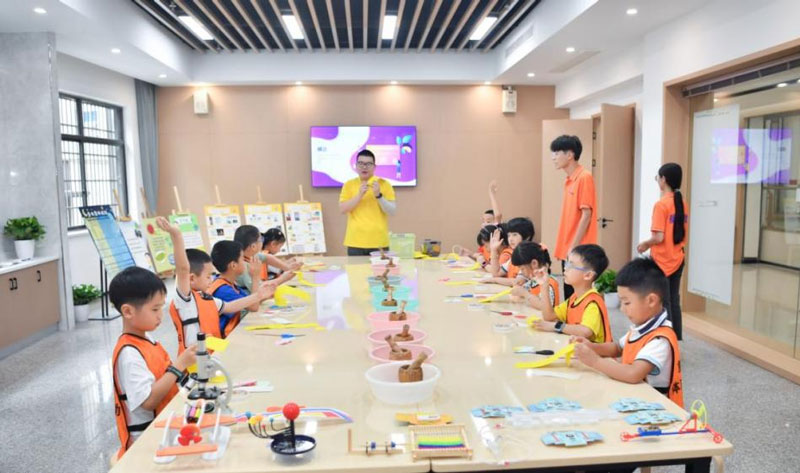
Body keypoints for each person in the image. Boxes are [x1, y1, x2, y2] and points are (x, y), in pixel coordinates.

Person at [109, 267, 196, 459]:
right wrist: (179, 365)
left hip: (165, 426)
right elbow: (148, 401)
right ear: (128, 311)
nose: (160, 315)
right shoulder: (129, 354)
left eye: (161, 308)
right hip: (147, 443)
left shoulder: (146, 338)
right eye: (155, 309)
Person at [573, 258, 684, 407]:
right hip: (635, 400)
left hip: (655, 409)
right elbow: (617, 348)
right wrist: (591, 347)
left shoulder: (660, 339)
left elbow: (633, 374)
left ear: (651, 300)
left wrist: (594, 361)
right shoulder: (643, 327)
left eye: (627, 303)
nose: (622, 309)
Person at [156, 217, 275, 354]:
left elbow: (230, 306)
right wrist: (176, 234)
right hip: (195, 361)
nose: (211, 280)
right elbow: (183, 269)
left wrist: (258, 295)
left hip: (213, 354)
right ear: (192, 279)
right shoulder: (186, 301)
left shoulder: (206, 298)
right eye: (208, 276)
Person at [637, 163, 688, 340]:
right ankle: (675, 338)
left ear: (663, 179)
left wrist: (645, 244)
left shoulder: (661, 205)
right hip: (678, 257)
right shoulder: (682, 203)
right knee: (674, 300)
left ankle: (666, 341)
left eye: (657, 178)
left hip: (662, 261)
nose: (657, 180)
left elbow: (658, 237)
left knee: (663, 302)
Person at [530, 244, 611, 343]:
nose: (565, 268)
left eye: (571, 265)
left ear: (588, 275)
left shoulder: (593, 302)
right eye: (566, 263)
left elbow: (585, 331)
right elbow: (549, 316)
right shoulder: (574, 298)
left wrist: (556, 326)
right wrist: (544, 286)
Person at [551, 135, 598, 300]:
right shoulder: (569, 180)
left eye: (557, 153)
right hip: (569, 248)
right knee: (569, 295)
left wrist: (573, 247)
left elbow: (586, 215)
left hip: (578, 250)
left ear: (570, 155)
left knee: (578, 295)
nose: (553, 157)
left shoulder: (584, 177)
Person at [338, 149, 396, 256]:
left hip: (379, 242)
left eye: (368, 164)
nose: (364, 167)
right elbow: (343, 209)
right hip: (355, 242)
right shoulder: (349, 185)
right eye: (361, 163)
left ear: (374, 167)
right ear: (356, 166)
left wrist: (379, 196)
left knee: (380, 268)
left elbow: (392, 211)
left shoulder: (384, 184)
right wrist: (359, 195)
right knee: (356, 268)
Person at [208, 240, 261, 337]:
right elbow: (254, 306)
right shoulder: (223, 290)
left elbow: (251, 300)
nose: (245, 262)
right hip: (225, 338)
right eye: (242, 259)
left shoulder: (229, 283)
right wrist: (255, 276)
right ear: (233, 265)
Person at [486, 217, 535, 284]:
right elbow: (496, 273)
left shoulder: (528, 255)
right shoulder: (515, 254)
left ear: (527, 237)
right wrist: (494, 250)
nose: (511, 239)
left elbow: (519, 282)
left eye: (515, 235)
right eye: (509, 235)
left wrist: (494, 280)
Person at [510, 241, 560, 306]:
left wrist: (525, 294)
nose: (521, 272)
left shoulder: (550, 283)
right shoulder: (533, 281)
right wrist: (518, 290)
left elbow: (545, 307)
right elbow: (522, 292)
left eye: (522, 269)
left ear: (534, 263)